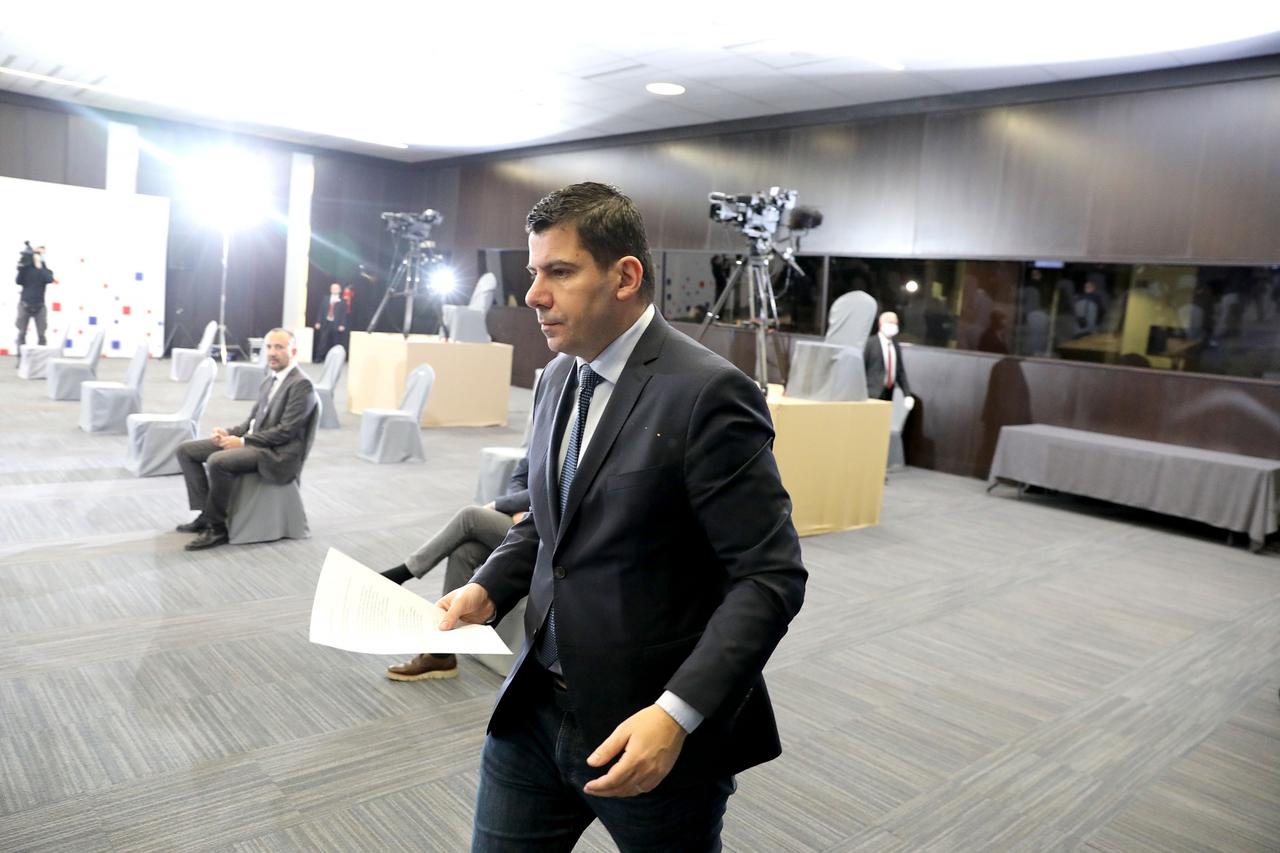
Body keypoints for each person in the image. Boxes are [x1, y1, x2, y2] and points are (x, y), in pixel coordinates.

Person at [435, 182, 807, 852]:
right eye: (533, 272)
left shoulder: (708, 393)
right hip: (531, 712)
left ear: (626, 277)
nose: (535, 295)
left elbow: (769, 577)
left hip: (648, 731)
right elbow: (549, 520)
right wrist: (489, 585)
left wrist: (677, 713)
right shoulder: (556, 376)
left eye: (559, 272)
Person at [380, 455, 530, 682]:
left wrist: (505, 506)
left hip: (546, 532)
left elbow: (557, 490)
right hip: (525, 520)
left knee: (470, 516)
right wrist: (519, 509)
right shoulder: (546, 431)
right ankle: (442, 653)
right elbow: (521, 476)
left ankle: (400, 574)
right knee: (464, 552)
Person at [174, 328, 317, 551]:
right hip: (258, 443)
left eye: (279, 347)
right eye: (269, 347)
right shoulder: (269, 380)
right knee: (186, 450)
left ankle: (217, 528)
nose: (272, 352)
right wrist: (228, 433)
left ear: (294, 351)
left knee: (218, 461)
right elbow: (251, 422)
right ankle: (206, 514)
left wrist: (242, 443)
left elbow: (286, 431)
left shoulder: (301, 385)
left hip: (277, 454)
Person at [865, 310, 915, 408]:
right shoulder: (870, 344)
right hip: (871, 394)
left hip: (889, 394)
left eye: (895, 323)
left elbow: (900, 372)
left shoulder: (895, 346)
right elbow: (861, 369)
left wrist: (907, 395)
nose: (893, 326)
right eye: (890, 322)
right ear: (881, 323)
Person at [14, 242, 54, 354]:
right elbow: (18, 281)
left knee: (42, 335)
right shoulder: (25, 269)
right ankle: (21, 357)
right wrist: (22, 267)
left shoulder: (45, 270)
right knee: (21, 333)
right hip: (24, 304)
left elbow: (49, 279)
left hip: (40, 306)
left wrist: (39, 265)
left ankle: (41, 358)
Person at [313, 282, 348, 362]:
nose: (334, 289)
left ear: (339, 290)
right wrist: (318, 322)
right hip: (325, 322)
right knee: (322, 341)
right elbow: (321, 311)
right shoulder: (325, 299)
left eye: (336, 288)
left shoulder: (342, 301)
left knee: (336, 342)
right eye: (333, 288)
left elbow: (343, 314)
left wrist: (342, 324)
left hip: (336, 323)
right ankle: (319, 357)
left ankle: (336, 359)